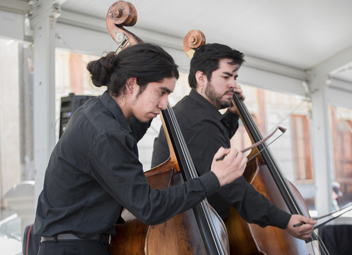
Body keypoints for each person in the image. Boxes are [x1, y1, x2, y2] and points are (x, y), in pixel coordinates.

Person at [34, 43, 248, 255]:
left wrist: (230, 115)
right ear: (131, 85)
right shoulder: (106, 133)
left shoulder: (96, 114)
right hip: (75, 249)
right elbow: (149, 207)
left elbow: (132, 132)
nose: (165, 104)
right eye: (161, 92)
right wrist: (214, 179)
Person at [151, 43, 316, 241]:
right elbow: (234, 188)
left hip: (194, 229)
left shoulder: (193, 112)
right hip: (191, 236)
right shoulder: (198, 122)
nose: (233, 84)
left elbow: (211, 146)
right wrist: (285, 220)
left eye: (235, 77)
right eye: (226, 76)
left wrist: (231, 115)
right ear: (201, 78)